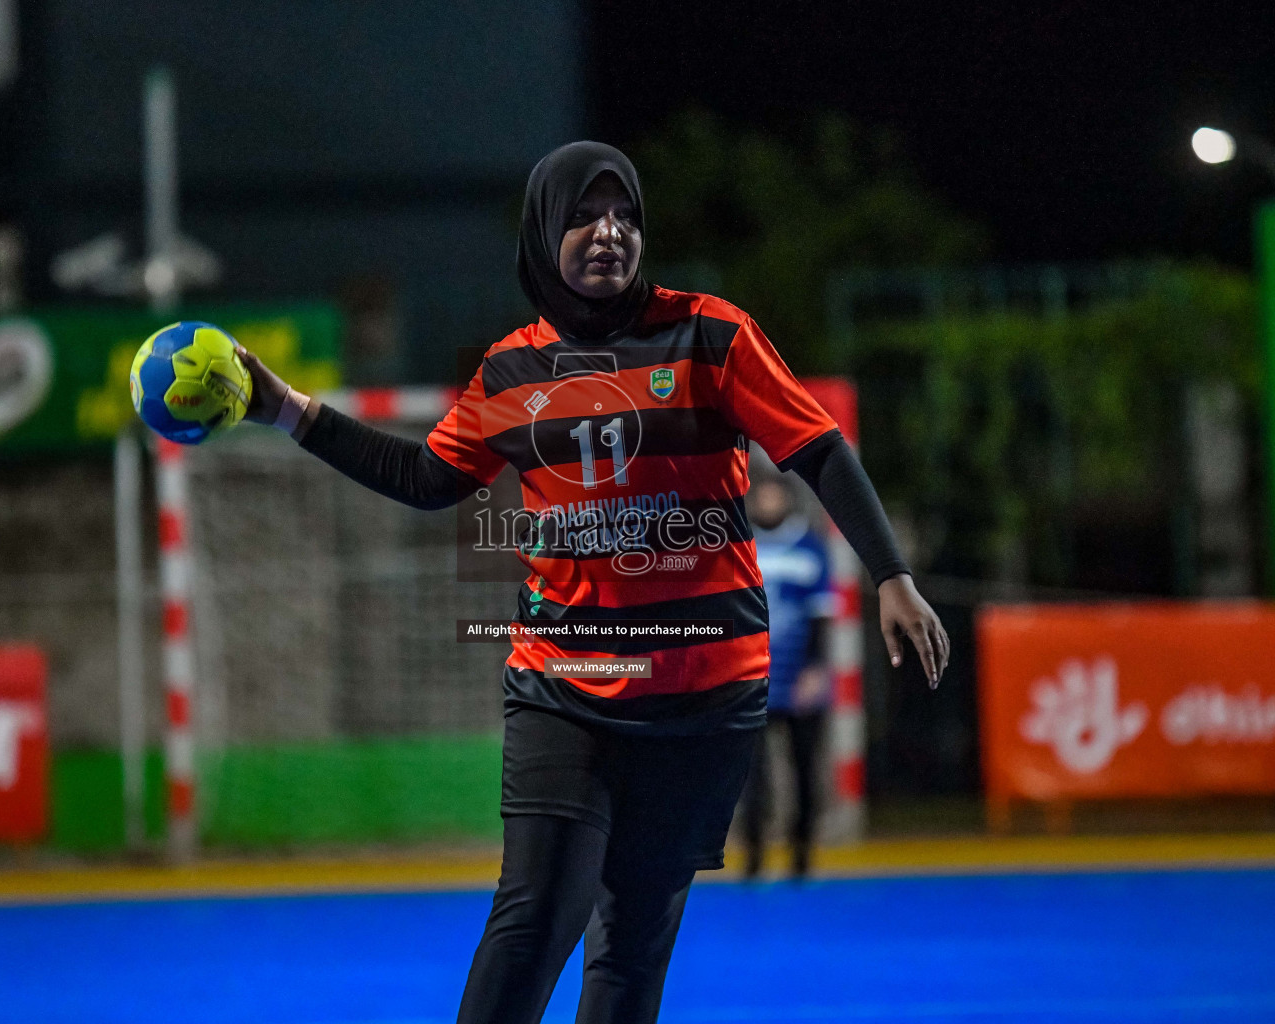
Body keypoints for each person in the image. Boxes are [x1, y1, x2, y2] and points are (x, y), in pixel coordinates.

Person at [235, 141, 948, 1024]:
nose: (609, 232)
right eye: (584, 215)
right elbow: (426, 480)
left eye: (625, 216)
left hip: (703, 695)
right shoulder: (510, 370)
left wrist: (891, 574)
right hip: (560, 686)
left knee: (633, 941)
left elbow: (819, 451)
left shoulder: (712, 335)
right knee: (536, 915)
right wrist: (289, 413)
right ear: (544, 230)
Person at [738, 473, 835, 881]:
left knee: (804, 771)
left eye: (776, 496)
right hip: (752, 683)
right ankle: (754, 856)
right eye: (763, 496)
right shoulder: (740, 548)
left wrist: (814, 670)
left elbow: (822, 618)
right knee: (751, 777)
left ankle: (801, 855)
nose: (769, 503)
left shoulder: (811, 548)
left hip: (800, 681)